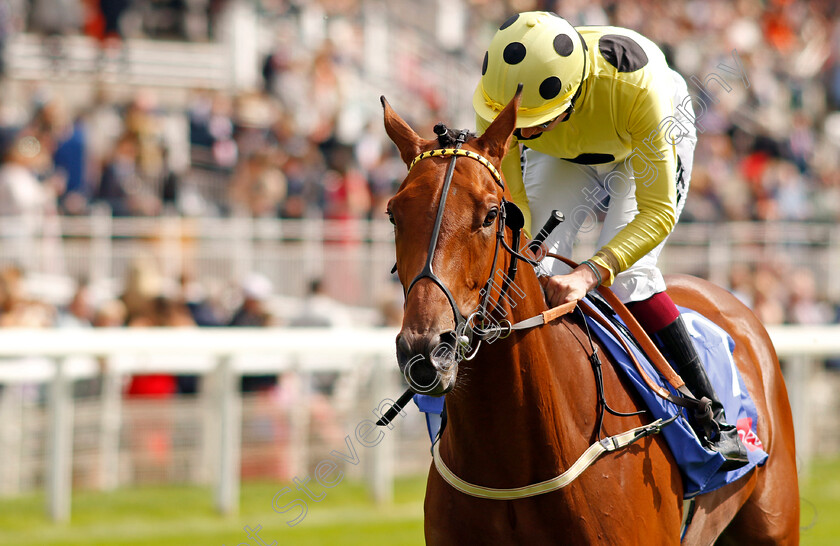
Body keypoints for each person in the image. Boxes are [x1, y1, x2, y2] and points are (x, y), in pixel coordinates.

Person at [473, 11, 747, 468]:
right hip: (572, 142)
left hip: (645, 134)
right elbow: (511, 188)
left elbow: (657, 213)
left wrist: (588, 272)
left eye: (531, 124)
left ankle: (709, 409)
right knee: (535, 271)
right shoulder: (504, 89)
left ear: (568, 96)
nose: (521, 135)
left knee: (628, 277)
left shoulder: (641, 92)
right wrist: (529, 239)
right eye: (516, 124)